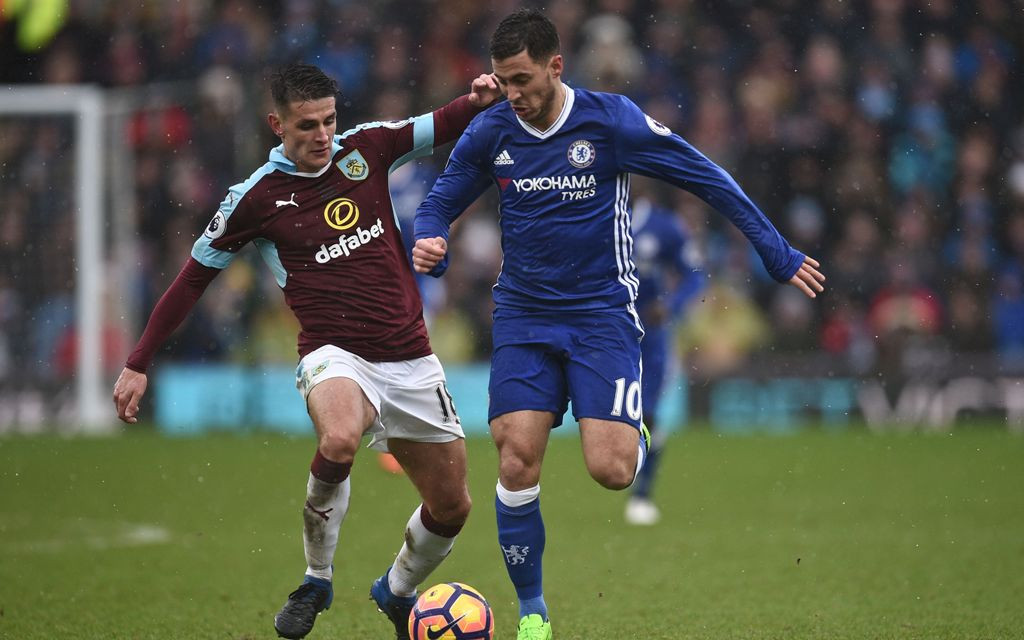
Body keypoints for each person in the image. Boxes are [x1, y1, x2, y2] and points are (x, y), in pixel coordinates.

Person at [412, 10, 825, 640]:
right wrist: (431, 236)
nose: (513, 94)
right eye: (503, 80)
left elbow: (704, 175)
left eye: (523, 79)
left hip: (602, 314)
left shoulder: (611, 121)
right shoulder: (493, 127)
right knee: (516, 458)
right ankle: (533, 612)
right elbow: (441, 199)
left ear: (556, 66)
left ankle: (631, 435)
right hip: (523, 314)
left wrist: (776, 251)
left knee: (613, 471)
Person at [112, 62, 501, 640]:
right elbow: (192, 278)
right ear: (277, 125)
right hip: (334, 353)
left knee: (453, 508)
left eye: (328, 121)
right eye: (306, 126)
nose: (321, 136)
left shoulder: (366, 149)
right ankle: (316, 580)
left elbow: (438, 125)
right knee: (340, 436)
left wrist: (475, 100)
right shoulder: (254, 199)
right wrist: (138, 361)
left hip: (412, 358)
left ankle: (395, 591)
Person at [623, 190, 705, 526]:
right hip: (604, 330)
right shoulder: (587, 209)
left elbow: (695, 274)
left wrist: (670, 305)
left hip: (650, 336)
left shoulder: (664, 226)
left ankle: (642, 494)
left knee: (649, 413)